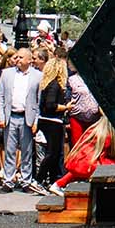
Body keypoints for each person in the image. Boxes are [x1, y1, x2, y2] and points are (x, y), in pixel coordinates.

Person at [0, 48, 43, 195]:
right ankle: (8, 180)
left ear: (29, 60)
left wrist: (36, 120)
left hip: (26, 117)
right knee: (9, 150)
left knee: (27, 151)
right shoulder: (7, 74)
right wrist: (1, 117)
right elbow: (0, 97)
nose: (18, 60)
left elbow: (39, 100)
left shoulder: (38, 76)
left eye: (21, 57)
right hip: (11, 116)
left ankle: (26, 180)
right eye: (17, 57)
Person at [35, 52, 72, 189]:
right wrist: (66, 107)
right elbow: (51, 105)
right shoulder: (55, 85)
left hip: (47, 121)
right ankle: (39, 180)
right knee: (52, 153)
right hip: (52, 122)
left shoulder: (47, 84)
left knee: (54, 153)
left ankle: (51, 181)